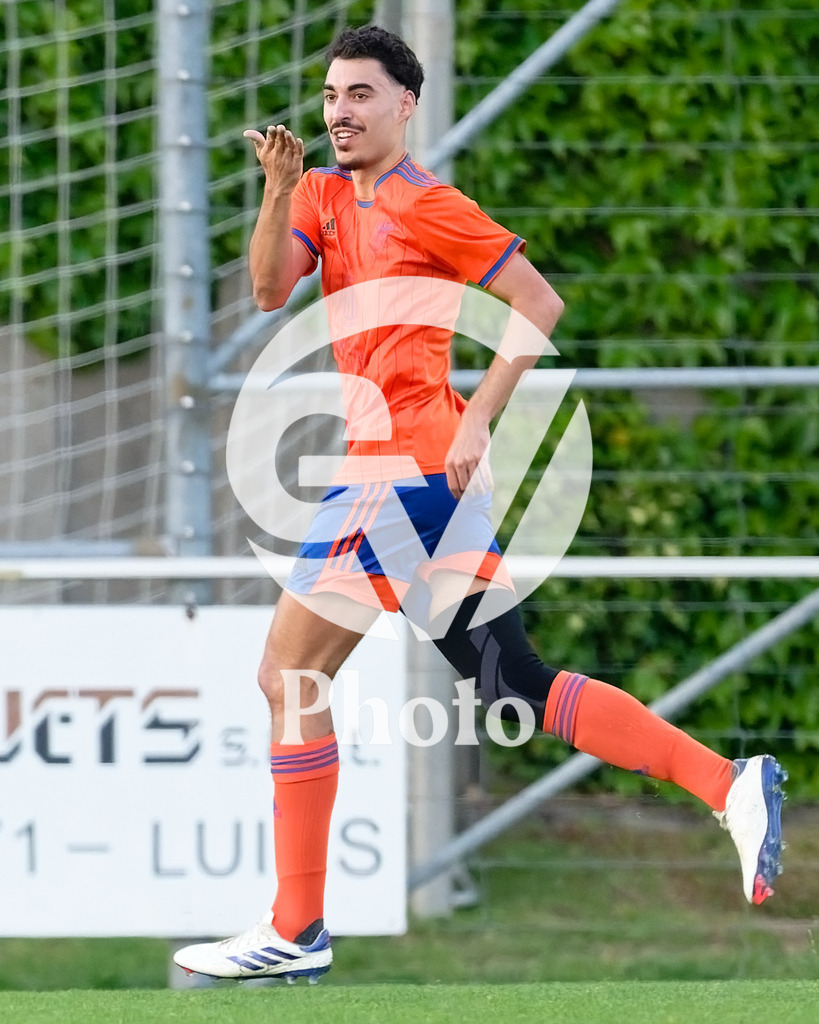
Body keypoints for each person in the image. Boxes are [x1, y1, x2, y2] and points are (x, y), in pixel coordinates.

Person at [174, 25, 786, 983]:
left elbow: (537, 305)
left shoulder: (431, 203)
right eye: (331, 95)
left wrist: (478, 422)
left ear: (404, 105)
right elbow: (263, 290)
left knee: (286, 674)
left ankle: (295, 930)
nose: (340, 111)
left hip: (400, 476)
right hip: (416, 487)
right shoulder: (324, 196)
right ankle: (727, 782)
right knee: (513, 684)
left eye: (361, 94)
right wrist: (278, 186)